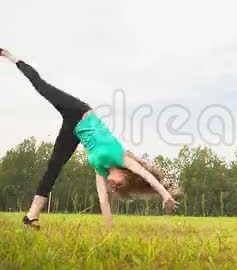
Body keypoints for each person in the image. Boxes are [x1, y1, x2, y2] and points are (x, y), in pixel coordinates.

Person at [0, 48, 177, 228]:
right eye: (118, 185)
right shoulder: (122, 158)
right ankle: (11, 57)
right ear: (125, 175)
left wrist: (109, 230)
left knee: (53, 167)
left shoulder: (100, 170)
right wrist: (165, 195)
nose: (113, 186)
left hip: (74, 130)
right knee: (41, 86)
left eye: (115, 188)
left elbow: (103, 201)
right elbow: (146, 175)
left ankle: (31, 216)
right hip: (80, 112)